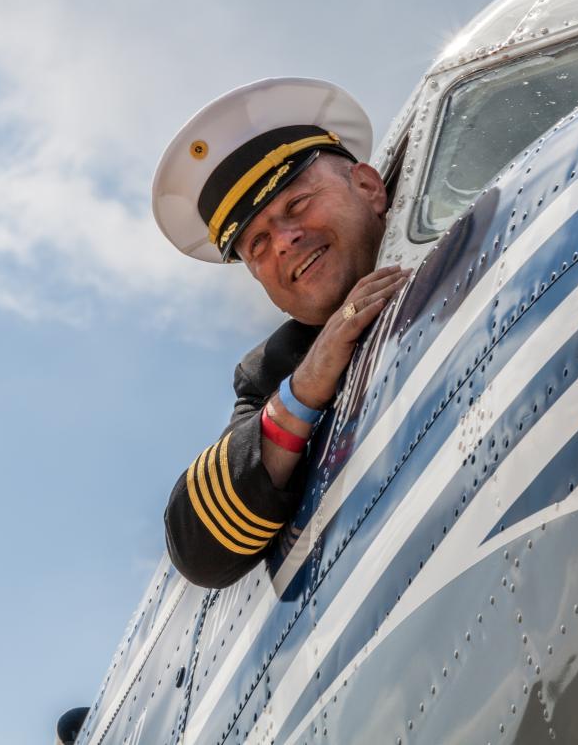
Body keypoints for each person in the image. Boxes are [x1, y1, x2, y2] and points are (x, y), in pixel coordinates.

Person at [152, 77, 409, 588]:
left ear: (369, 187)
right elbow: (197, 549)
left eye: (296, 206)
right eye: (258, 244)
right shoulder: (272, 372)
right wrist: (311, 380)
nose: (286, 242)